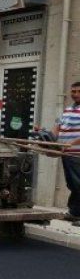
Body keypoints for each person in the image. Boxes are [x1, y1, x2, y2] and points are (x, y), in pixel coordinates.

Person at [55, 82, 80, 224]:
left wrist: (70, 143)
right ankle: (74, 212)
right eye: (73, 91)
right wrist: (50, 138)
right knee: (73, 185)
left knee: (79, 185)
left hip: (77, 154)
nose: (75, 94)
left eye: (78, 91)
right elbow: (58, 125)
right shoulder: (68, 109)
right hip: (66, 154)